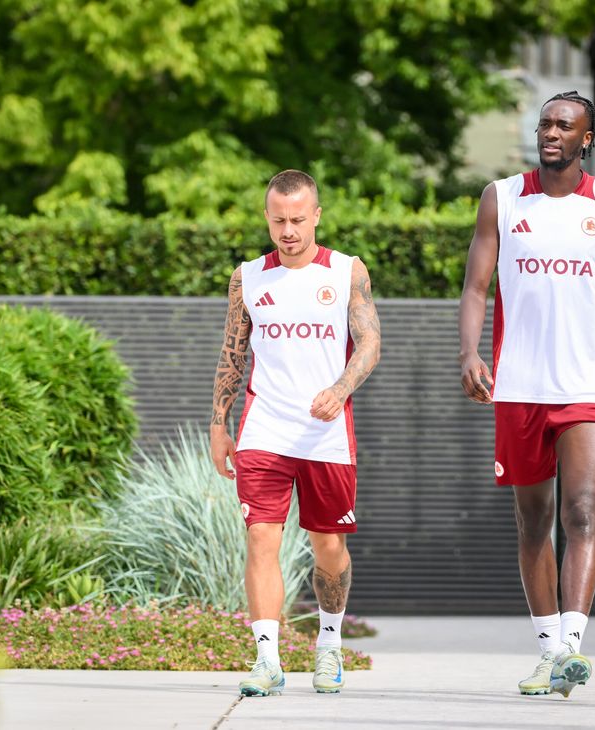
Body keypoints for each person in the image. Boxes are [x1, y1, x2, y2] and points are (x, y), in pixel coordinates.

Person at [457, 91, 595, 698]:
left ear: (586, 138)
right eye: (545, 123)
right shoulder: (502, 198)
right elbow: (475, 287)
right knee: (534, 522)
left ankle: (570, 648)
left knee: (583, 511)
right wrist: (469, 353)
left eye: (564, 126)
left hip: (588, 386)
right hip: (518, 387)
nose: (551, 133)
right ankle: (548, 653)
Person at [210, 169, 381, 697]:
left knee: (328, 547)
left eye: (298, 220)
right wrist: (218, 424)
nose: (288, 231)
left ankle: (329, 646)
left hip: (326, 434)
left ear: (317, 216)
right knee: (261, 538)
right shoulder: (247, 278)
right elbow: (233, 354)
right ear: (267, 218)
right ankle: (267, 660)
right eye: (279, 220)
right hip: (264, 429)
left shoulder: (348, 271)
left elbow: (370, 342)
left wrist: (341, 387)